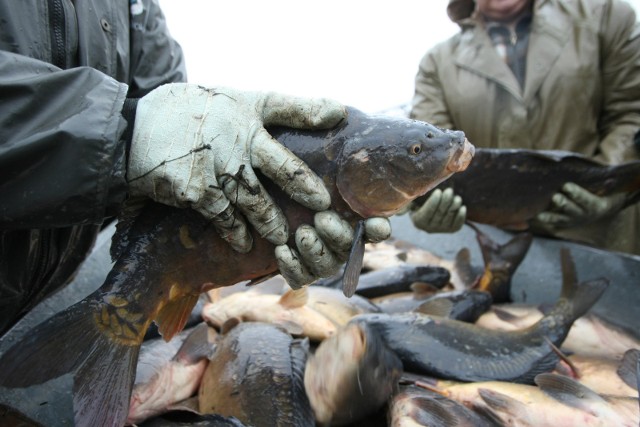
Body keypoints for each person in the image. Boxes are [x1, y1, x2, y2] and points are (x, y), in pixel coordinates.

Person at [0, 0, 390, 335]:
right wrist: (129, 131)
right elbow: (140, 128)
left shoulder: (134, 6)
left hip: (40, 287)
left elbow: (173, 113)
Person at [408, 0, 640, 255]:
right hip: (500, 247)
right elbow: (428, 154)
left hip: (605, 241)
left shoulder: (606, 15)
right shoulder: (436, 64)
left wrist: (607, 185)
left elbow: (631, 111)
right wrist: (420, 206)